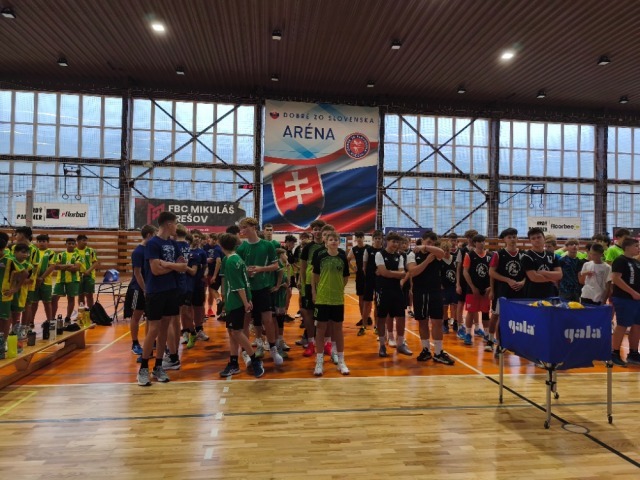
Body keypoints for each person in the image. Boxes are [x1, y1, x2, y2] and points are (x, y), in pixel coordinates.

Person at [137, 211, 188, 387]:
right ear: (168, 224)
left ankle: (158, 366)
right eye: (175, 223)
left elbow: (183, 266)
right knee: (153, 330)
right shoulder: (153, 243)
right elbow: (155, 270)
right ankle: (143, 368)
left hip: (171, 290)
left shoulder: (174, 244)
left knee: (164, 330)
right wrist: (173, 266)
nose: (177, 227)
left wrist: (166, 264)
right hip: (156, 292)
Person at [237, 217, 282, 366]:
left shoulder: (267, 245)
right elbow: (239, 269)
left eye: (245, 227)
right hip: (247, 290)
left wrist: (260, 269)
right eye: (241, 228)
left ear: (253, 227)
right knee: (246, 321)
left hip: (263, 288)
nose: (242, 230)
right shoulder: (241, 248)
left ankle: (273, 349)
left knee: (268, 320)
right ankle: (247, 351)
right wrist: (246, 272)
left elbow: (276, 266)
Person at [218, 232, 264, 378]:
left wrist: (245, 302)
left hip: (236, 302)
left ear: (221, 245)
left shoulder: (230, 262)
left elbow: (238, 285)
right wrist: (248, 299)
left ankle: (255, 360)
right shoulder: (237, 258)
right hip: (234, 301)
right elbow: (245, 281)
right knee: (232, 332)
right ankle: (233, 363)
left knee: (237, 332)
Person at [408, 232, 454, 365]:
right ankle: (426, 350)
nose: (431, 245)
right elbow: (413, 272)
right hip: (420, 292)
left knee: (437, 322)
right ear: (422, 240)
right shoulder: (412, 254)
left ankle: (438, 352)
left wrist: (425, 247)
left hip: (435, 292)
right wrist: (427, 261)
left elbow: (441, 252)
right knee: (423, 322)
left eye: (433, 243)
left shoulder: (436, 253)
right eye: (428, 242)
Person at [311, 230, 351, 375]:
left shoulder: (342, 257)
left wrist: (338, 288)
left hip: (337, 299)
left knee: (338, 329)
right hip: (322, 298)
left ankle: (341, 361)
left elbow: (345, 277)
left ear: (339, 242)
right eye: (331, 239)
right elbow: (315, 276)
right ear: (326, 242)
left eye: (336, 239)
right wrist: (315, 292)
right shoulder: (320, 257)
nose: (334, 241)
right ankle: (319, 361)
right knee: (320, 329)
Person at [488, 228, 525, 353]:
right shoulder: (498, 254)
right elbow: (491, 272)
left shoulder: (523, 254)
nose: (512, 239)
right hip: (502, 291)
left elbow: (529, 272)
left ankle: (513, 342)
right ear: (504, 239)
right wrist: (507, 280)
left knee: (517, 318)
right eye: (509, 237)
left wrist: (523, 282)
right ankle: (492, 340)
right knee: (497, 316)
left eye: (514, 236)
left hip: (519, 291)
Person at [375, 232, 411, 357]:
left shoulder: (399, 256)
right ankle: (382, 345)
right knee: (381, 318)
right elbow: (384, 272)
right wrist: (394, 273)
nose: (395, 244)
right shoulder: (379, 254)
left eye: (397, 242)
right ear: (387, 241)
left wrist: (388, 273)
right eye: (393, 241)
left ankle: (400, 344)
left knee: (401, 317)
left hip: (396, 290)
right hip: (383, 290)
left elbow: (402, 274)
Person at [124, 225, 156, 357]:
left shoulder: (151, 250)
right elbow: (137, 273)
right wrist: (144, 289)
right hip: (138, 289)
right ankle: (135, 343)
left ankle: (151, 341)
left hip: (150, 288)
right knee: (136, 316)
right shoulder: (138, 252)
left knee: (150, 317)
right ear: (149, 235)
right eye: (154, 235)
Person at [610, 237, 640, 366]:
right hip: (624, 298)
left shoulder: (636, 262)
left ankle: (633, 353)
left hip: (636, 299)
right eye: (636, 246)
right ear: (627, 247)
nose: (638, 248)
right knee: (622, 324)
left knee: (637, 325)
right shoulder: (620, 260)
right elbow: (616, 278)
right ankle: (614, 353)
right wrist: (632, 292)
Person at [299, 220, 326, 356]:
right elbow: (303, 268)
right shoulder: (307, 248)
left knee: (325, 315)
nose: (317, 231)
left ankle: (326, 343)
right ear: (312, 231)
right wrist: (303, 284)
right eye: (315, 229)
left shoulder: (328, 246)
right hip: (310, 284)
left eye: (319, 229)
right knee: (308, 313)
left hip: (325, 283)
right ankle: (310, 343)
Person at [462, 234, 493, 346]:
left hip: (486, 289)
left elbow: (493, 272)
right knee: (471, 312)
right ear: (475, 243)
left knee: (485, 312)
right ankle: (468, 334)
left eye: (483, 241)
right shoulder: (469, 255)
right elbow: (465, 272)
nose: (482, 243)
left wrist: (490, 287)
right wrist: (472, 287)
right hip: (473, 289)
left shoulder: (490, 255)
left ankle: (487, 334)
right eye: (479, 241)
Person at [521, 228, 562, 300]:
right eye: (533, 238)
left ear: (544, 238)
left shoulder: (552, 255)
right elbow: (534, 278)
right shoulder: (527, 256)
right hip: (533, 294)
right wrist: (551, 279)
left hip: (550, 293)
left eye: (539, 237)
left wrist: (543, 272)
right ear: (530, 241)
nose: (536, 240)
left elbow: (559, 275)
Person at [51, 238, 83, 324]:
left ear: (75, 245)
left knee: (71, 298)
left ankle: (68, 317)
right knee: (54, 298)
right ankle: (52, 318)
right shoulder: (60, 255)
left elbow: (76, 268)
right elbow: (56, 267)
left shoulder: (78, 255)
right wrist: (70, 265)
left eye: (72, 244)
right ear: (66, 245)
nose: (71, 245)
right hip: (60, 280)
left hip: (73, 280)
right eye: (69, 243)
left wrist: (63, 267)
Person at [29, 234, 57, 329]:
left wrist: (41, 277)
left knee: (47, 302)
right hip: (34, 282)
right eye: (39, 241)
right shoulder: (34, 251)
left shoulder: (51, 253)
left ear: (47, 242)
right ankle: (31, 321)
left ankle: (49, 321)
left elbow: (52, 266)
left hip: (46, 282)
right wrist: (35, 278)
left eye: (44, 241)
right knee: (34, 303)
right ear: (37, 242)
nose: (41, 243)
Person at [455, 229, 478, 340]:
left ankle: (477, 328)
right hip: (464, 282)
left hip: (475, 282)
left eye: (474, 237)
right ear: (467, 238)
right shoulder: (462, 251)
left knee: (475, 305)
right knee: (460, 304)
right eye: (471, 237)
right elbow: (458, 268)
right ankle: (460, 327)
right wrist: (458, 284)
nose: (472, 239)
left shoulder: (479, 250)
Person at [362, 230, 384, 336]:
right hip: (369, 279)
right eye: (376, 238)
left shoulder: (383, 251)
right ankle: (363, 325)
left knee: (377, 303)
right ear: (373, 239)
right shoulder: (368, 250)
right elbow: (364, 266)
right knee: (367, 303)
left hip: (380, 280)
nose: (378, 240)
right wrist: (368, 275)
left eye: (379, 238)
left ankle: (376, 326)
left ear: (382, 239)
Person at [347, 231, 368, 333]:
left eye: (361, 237)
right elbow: (347, 259)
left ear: (363, 238)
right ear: (355, 239)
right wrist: (353, 268)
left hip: (368, 276)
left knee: (368, 299)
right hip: (359, 276)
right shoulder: (354, 249)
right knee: (361, 298)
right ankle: (363, 318)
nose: (359, 239)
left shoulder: (368, 248)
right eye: (357, 237)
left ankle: (367, 317)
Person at [75, 234, 99, 308]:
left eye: (86, 241)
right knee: (80, 295)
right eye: (83, 240)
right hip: (78, 276)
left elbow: (95, 262)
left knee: (89, 295)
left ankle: (91, 311)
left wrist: (88, 271)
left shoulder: (90, 250)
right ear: (78, 241)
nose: (85, 242)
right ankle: (82, 311)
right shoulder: (74, 251)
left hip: (89, 276)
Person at [439, 240, 457, 335]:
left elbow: (458, 272)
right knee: (444, 307)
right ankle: (445, 324)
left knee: (455, 306)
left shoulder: (455, 259)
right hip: (444, 287)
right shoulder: (439, 260)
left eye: (447, 250)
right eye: (444, 250)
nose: (446, 252)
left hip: (454, 286)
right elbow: (437, 274)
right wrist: (440, 284)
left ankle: (456, 323)